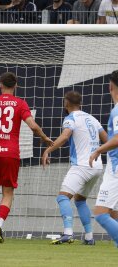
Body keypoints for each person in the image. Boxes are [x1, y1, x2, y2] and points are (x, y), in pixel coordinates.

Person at [0, 72, 53, 243]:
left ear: (0, 84)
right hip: (10, 153)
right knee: (8, 192)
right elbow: (32, 125)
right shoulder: (20, 103)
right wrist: (44, 138)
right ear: (16, 85)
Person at [42, 91, 107, 245]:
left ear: (66, 103)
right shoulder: (92, 119)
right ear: (80, 103)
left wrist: (47, 150)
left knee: (63, 197)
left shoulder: (70, 119)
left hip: (82, 166)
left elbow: (65, 137)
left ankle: (68, 233)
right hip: (97, 166)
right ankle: (89, 237)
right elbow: (107, 140)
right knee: (80, 200)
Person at [89, 70, 118, 247]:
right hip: (113, 168)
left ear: (110, 86)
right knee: (114, 214)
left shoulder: (117, 111)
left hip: (116, 169)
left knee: (101, 214)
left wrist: (97, 150)